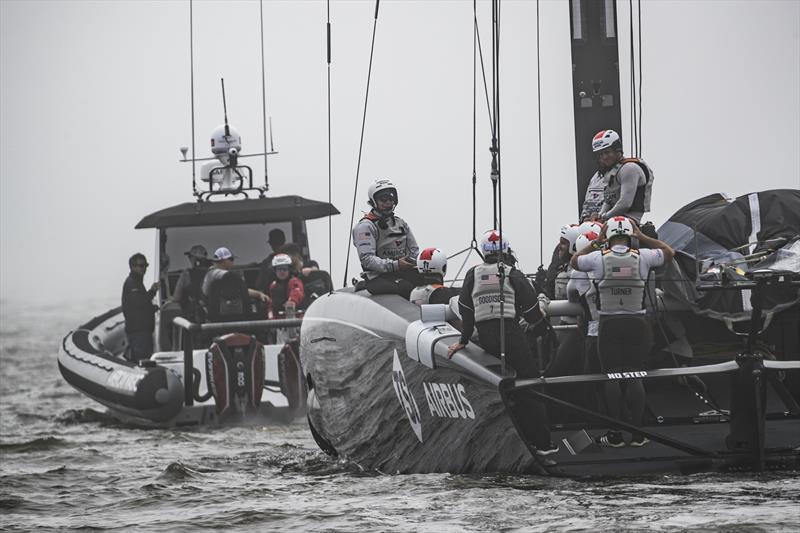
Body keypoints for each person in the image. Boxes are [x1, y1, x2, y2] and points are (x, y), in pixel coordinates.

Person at [447, 230, 558, 456]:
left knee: (500, 382)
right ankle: (543, 443)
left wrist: (463, 340)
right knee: (530, 383)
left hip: (486, 337)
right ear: (505, 250)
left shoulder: (473, 274)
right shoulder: (512, 273)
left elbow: (466, 311)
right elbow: (531, 313)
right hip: (510, 333)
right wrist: (543, 327)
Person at [571, 216, 674, 447]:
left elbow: (575, 261)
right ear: (630, 236)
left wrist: (596, 242)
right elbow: (669, 252)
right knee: (635, 375)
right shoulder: (644, 256)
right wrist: (644, 237)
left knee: (613, 376)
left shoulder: (598, 258)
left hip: (608, 325)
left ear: (608, 238)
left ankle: (616, 434)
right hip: (637, 323)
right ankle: (638, 434)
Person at [352, 178, 421, 299]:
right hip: (377, 278)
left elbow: (414, 250)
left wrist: (411, 262)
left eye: (391, 198)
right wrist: (395, 264)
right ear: (374, 201)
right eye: (383, 199)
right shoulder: (365, 227)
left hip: (401, 271)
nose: (388, 202)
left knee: (430, 279)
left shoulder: (401, 223)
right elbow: (367, 259)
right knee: (407, 288)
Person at [587, 130, 655, 226]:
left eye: (607, 152)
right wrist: (599, 216)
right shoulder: (612, 171)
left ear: (617, 149)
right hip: (614, 220)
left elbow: (624, 204)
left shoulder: (629, 169)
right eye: (601, 154)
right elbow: (608, 200)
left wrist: (604, 217)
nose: (604, 157)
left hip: (630, 222)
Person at [121, 253, 159, 362]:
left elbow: (141, 302)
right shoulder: (132, 283)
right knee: (142, 361)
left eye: (146, 265)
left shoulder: (137, 282)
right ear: (133, 267)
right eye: (141, 266)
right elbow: (138, 304)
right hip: (139, 333)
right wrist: (152, 292)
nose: (144, 269)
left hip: (142, 332)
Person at [202, 246, 269, 309]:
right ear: (226, 261)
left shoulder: (215, 273)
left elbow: (240, 289)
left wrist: (259, 295)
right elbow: (235, 281)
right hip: (215, 313)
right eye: (232, 259)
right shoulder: (214, 273)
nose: (233, 262)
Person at [171, 244, 210, 322]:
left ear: (195, 259)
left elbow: (176, 297)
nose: (189, 259)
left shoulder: (186, 274)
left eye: (190, 257)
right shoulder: (212, 273)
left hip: (192, 319)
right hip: (211, 317)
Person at [268, 253, 305, 318]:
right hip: (277, 322)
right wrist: (270, 316)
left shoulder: (294, 281)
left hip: (295, 320)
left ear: (289, 269)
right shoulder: (273, 285)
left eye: (284, 269)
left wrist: (292, 301)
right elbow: (272, 304)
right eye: (279, 269)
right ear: (274, 270)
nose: (282, 271)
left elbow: (297, 292)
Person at [254, 228, 288, 292]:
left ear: (272, 243)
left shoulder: (267, 262)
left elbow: (259, 285)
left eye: (271, 243)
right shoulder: (294, 258)